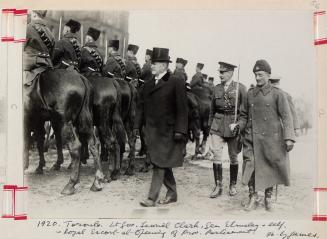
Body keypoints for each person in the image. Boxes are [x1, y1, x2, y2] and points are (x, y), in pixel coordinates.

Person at [231, 59, 295, 211]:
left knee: (270, 167)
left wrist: (289, 138)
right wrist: (239, 125)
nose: (257, 78)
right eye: (255, 75)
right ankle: (253, 196)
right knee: (250, 166)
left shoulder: (278, 94)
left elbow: (286, 116)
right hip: (251, 138)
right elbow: (244, 115)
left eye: (260, 74)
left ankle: (268, 198)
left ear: (268, 75)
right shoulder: (250, 94)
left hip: (271, 139)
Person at [134, 47, 188, 207]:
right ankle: (172, 193)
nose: (151, 66)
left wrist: (180, 130)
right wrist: (136, 127)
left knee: (158, 163)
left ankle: (152, 198)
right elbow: (140, 107)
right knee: (160, 161)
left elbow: (182, 109)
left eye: (155, 63)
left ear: (164, 65)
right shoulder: (149, 84)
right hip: (151, 132)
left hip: (168, 132)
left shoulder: (176, 82)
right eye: (152, 63)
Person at [208, 62, 247, 198]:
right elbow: (212, 109)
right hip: (217, 125)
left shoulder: (240, 88)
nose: (220, 75)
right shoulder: (216, 88)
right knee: (216, 155)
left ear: (230, 72)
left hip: (232, 126)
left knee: (233, 157)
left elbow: (244, 113)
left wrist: (239, 126)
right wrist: (210, 127)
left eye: (223, 72)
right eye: (220, 72)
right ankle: (218, 186)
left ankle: (232, 185)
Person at [24, 10, 55, 86]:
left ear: (34, 14)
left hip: (32, 63)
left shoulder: (27, 28)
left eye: (31, 13)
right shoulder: (50, 32)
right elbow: (52, 55)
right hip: (48, 64)